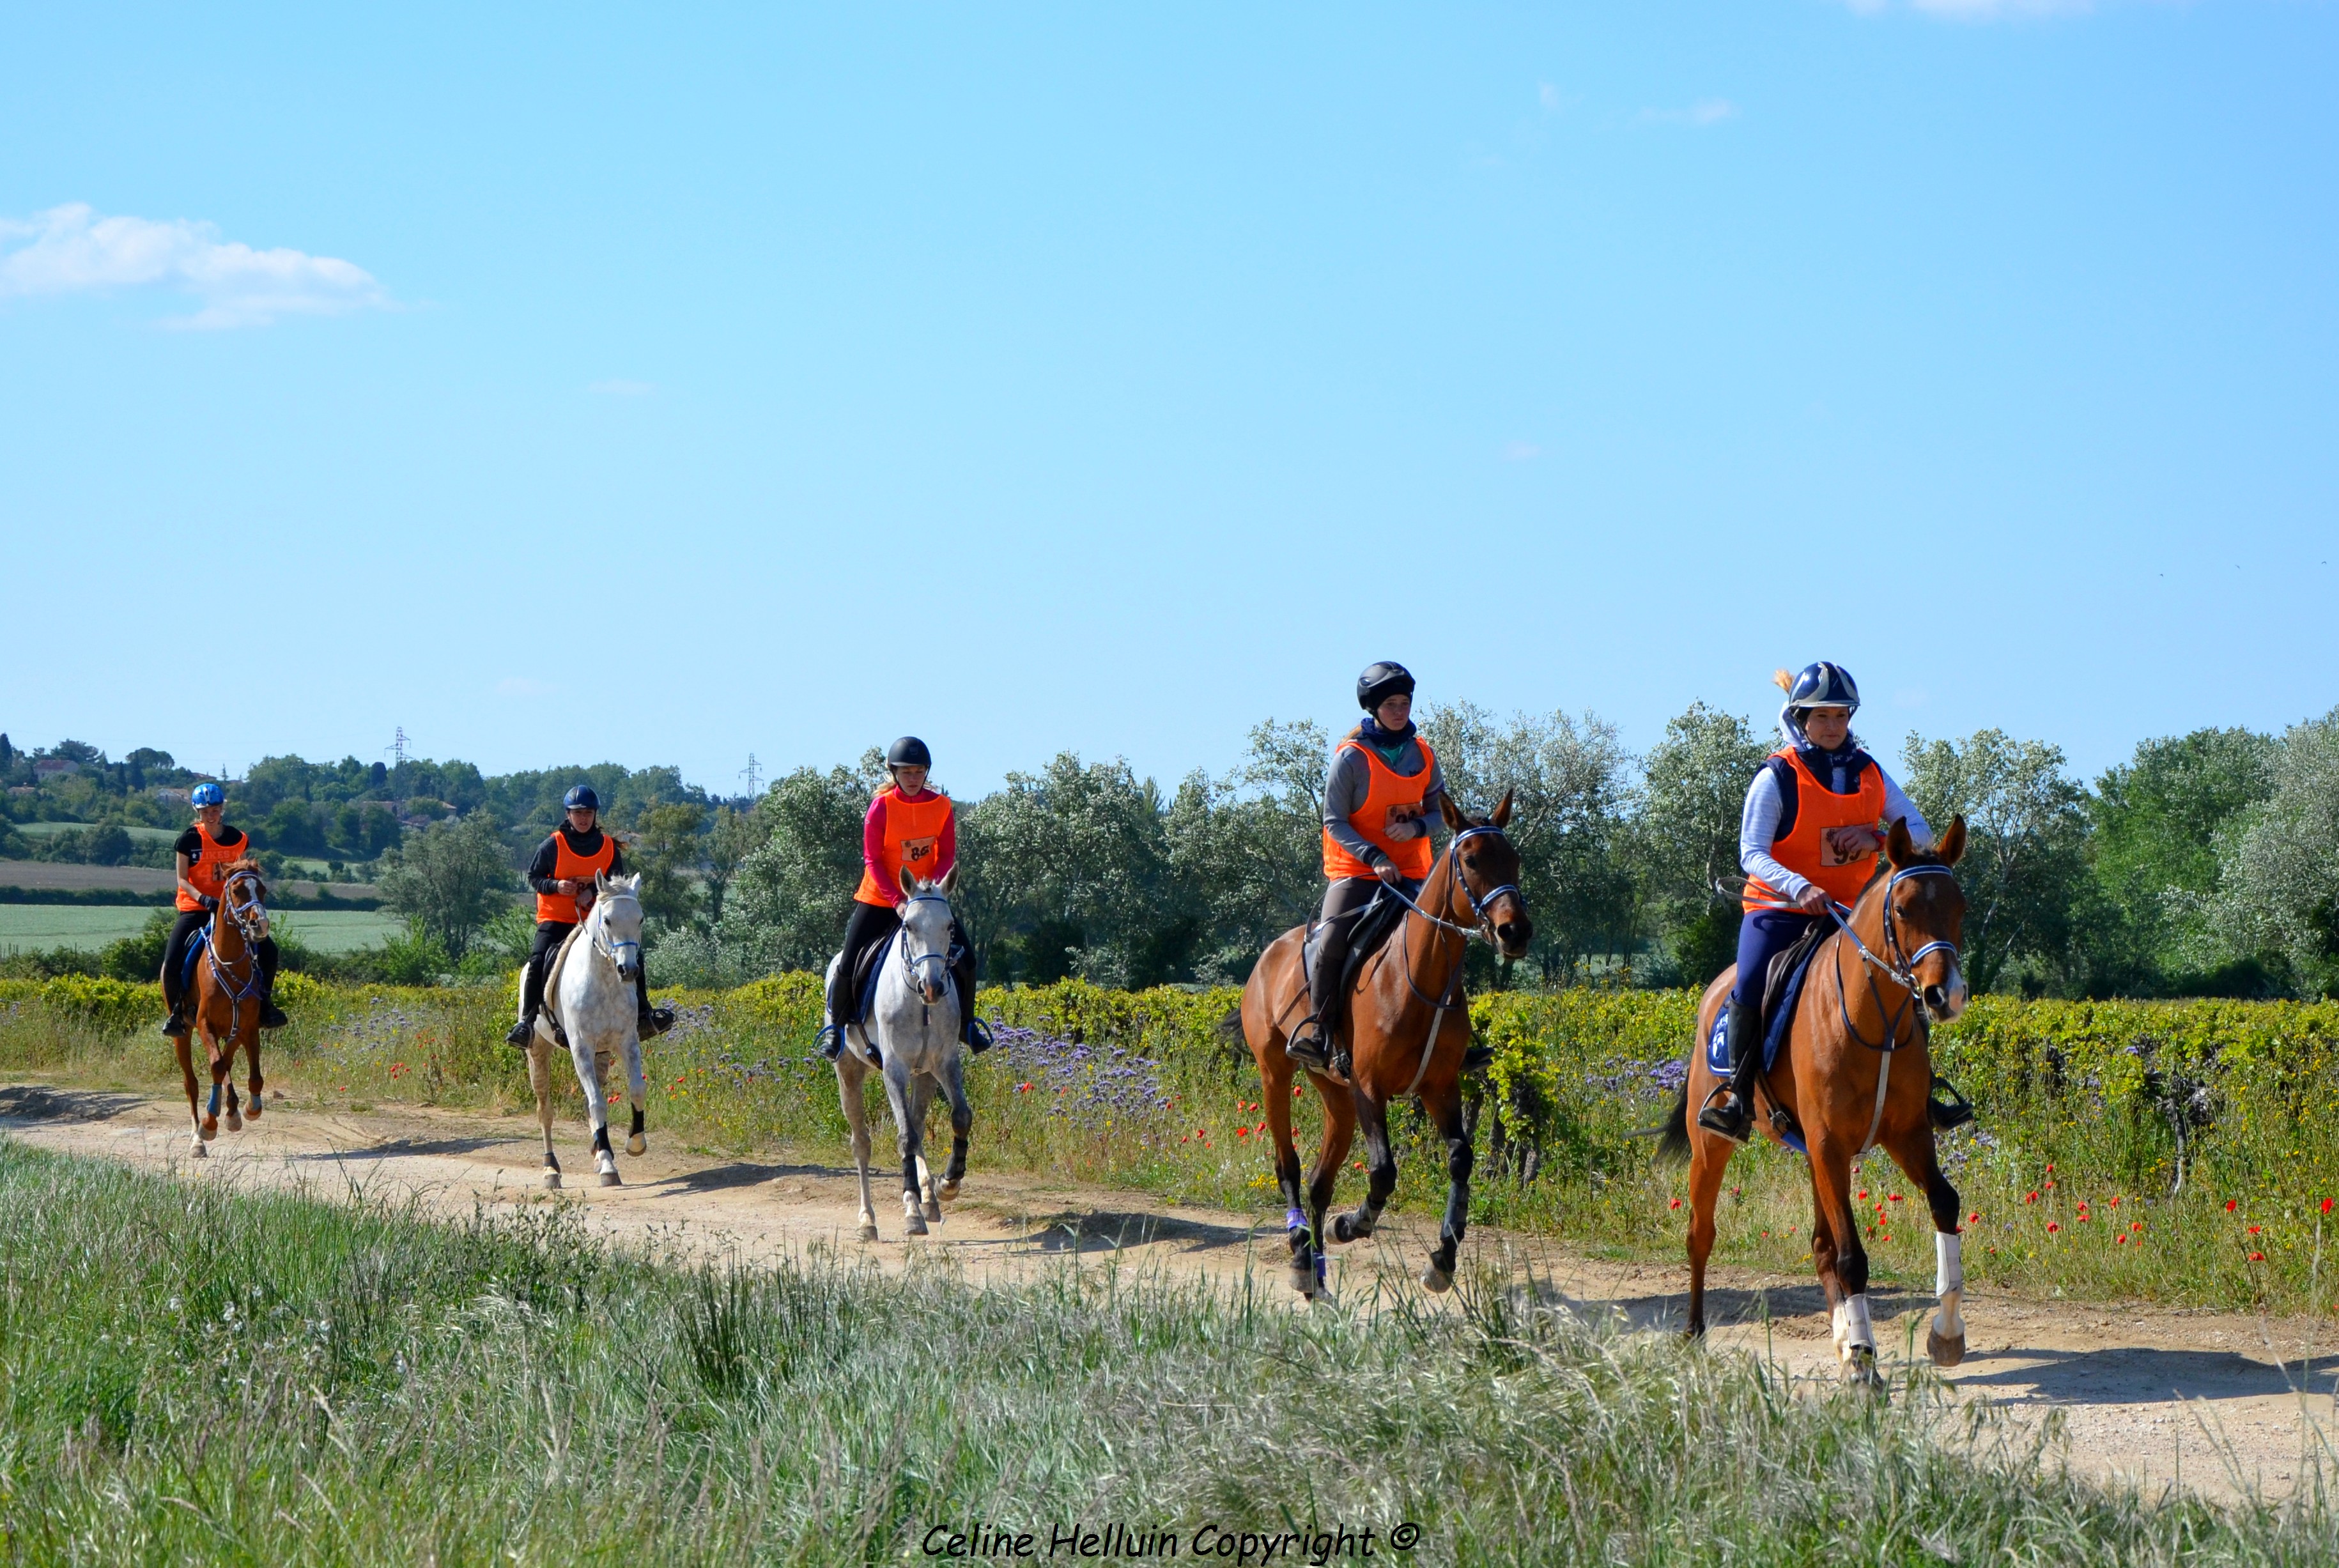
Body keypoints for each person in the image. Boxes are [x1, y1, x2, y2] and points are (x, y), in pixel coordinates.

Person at [1697, 663, 1940, 1142]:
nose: (1832, 726)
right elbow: (1752, 852)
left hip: (1850, 915)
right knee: (1748, 984)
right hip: (1777, 912)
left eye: (1840, 716)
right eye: (1821, 716)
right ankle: (1737, 1097)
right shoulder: (1776, 777)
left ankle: (1924, 1093)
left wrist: (1874, 837)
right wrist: (1798, 887)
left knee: (1904, 986)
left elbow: (1922, 832)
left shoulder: (1870, 772)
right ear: (1801, 718)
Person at [1286, 662, 1448, 1073]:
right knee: (1333, 938)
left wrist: (1415, 827)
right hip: (1357, 872)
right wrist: (1374, 856)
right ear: (1374, 708)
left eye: (1405, 702)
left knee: (1446, 939)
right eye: (1391, 704)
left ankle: (1458, 1039)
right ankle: (1320, 1031)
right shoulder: (1351, 758)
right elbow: (1333, 821)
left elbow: (1442, 813)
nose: (1400, 710)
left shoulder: (1424, 753)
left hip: (1413, 872)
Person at [816, 737, 989, 1060]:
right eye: (906, 771)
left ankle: (967, 1025)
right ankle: (836, 1030)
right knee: (849, 960)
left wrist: (928, 892)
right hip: (882, 898)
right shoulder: (881, 807)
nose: (913, 778)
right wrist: (897, 899)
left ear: (927, 773)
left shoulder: (941, 807)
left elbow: (946, 854)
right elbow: (873, 860)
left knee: (966, 960)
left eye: (919, 771)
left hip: (925, 900)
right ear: (894, 773)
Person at [505, 785, 675, 1047]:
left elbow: (617, 886)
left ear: (595, 815)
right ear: (568, 815)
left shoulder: (608, 847)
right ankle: (526, 1024)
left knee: (634, 955)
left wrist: (593, 895)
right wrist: (557, 886)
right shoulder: (553, 845)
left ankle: (644, 1015)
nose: (583, 818)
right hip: (557, 919)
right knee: (538, 959)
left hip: (597, 924)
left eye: (588, 813)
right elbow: (534, 878)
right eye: (577, 813)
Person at [160, 782, 288, 1037]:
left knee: (269, 951)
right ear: (198, 812)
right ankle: (177, 1013)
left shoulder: (238, 839)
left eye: (216, 810)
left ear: (222, 810)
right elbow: (182, 879)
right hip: (195, 908)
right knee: (173, 959)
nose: (212, 815)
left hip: (231, 911)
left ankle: (265, 1006)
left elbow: (240, 874)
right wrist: (204, 899)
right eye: (206, 811)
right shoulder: (188, 840)